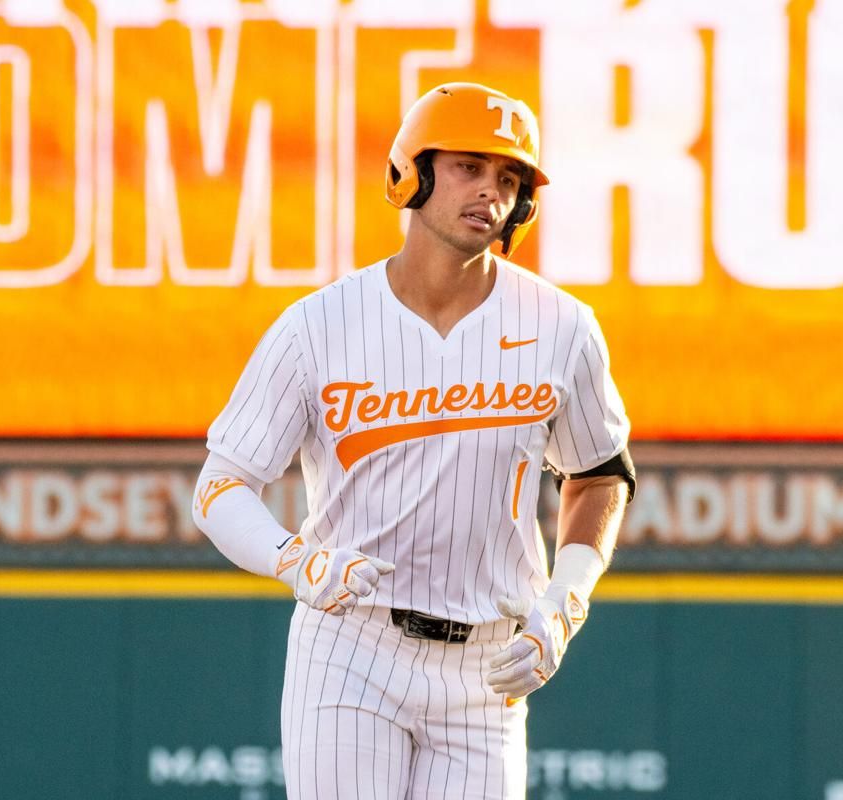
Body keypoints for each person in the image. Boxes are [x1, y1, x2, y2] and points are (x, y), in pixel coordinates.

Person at [192, 82, 634, 800]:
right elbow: (220, 486)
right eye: (468, 166)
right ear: (413, 173)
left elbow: (599, 473)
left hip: (487, 665)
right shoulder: (318, 324)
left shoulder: (563, 326)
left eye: (510, 178)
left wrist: (565, 601)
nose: (490, 191)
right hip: (350, 645)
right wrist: (294, 560)